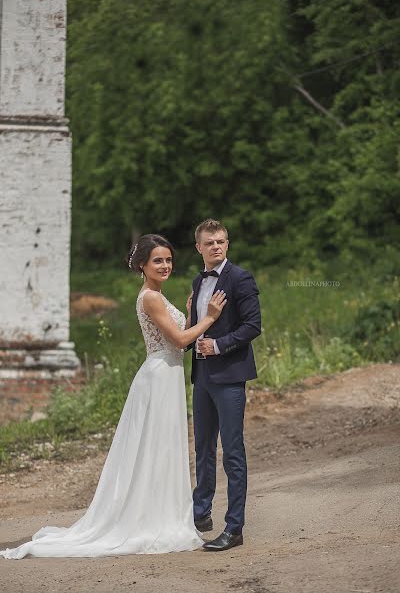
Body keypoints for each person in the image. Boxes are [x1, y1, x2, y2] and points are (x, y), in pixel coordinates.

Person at [0, 234, 226, 559]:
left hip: (168, 375)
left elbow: (182, 338)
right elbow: (178, 342)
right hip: (159, 376)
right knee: (156, 447)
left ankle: (159, 512)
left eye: (168, 260)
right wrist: (210, 318)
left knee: (162, 447)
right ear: (142, 265)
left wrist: (191, 314)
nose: (165, 265)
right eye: (157, 260)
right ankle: (150, 519)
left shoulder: (158, 296)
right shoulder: (150, 297)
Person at [189, 219, 261, 552]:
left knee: (232, 454)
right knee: (202, 449)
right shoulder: (196, 281)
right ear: (199, 248)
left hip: (230, 377)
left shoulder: (240, 278)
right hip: (201, 377)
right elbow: (196, 328)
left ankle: (235, 528)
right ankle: (200, 514)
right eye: (210, 242)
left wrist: (218, 346)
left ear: (227, 244)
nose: (217, 246)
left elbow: (252, 326)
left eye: (221, 241)